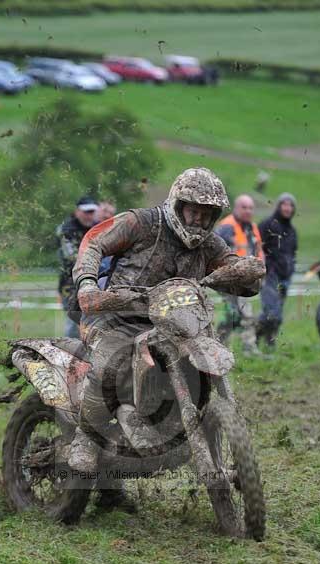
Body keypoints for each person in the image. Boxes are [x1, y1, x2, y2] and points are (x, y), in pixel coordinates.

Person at [68, 168, 265, 492]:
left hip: (177, 324)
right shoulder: (142, 223)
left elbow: (235, 268)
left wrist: (245, 273)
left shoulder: (209, 245)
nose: (197, 221)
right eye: (193, 212)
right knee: (109, 364)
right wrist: (87, 283)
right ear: (178, 205)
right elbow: (94, 241)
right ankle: (86, 440)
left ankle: (194, 429)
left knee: (206, 354)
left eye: (206, 215)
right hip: (117, 317)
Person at [215, 193, 264, 355]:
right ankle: (221, 347)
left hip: (246, 280)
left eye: (250, 208)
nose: (248, 211)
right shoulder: (225, 227)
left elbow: (258, 251)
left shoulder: (252, 227)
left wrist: (261, 270)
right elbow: (213, 253)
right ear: (236, 208)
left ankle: (246, 347)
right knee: (235, 315)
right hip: (227, 279)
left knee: (243, 314)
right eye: (244, 207)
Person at [257, 192, 298, 347]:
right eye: (284, 204)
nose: (287, 208)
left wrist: (291, 268)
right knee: (271, 312)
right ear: (279, 206)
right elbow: (256, 246)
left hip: (285, 277)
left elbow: (293, 253)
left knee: (277, 315)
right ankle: (254, 334)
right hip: (269, 275)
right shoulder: (267, 224)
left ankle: (269, 341)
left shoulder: (292, 231)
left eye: (291, 205)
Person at [56, 195, 99, 338]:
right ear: (77, 212)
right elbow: (72, 257)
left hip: (95, 281)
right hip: (70, 284)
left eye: (91, 212)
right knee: (73, 323)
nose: (89, 215)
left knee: (95, 323)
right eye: (86, 212)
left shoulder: (98, 228)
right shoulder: (66, 230)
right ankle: (71, 354)